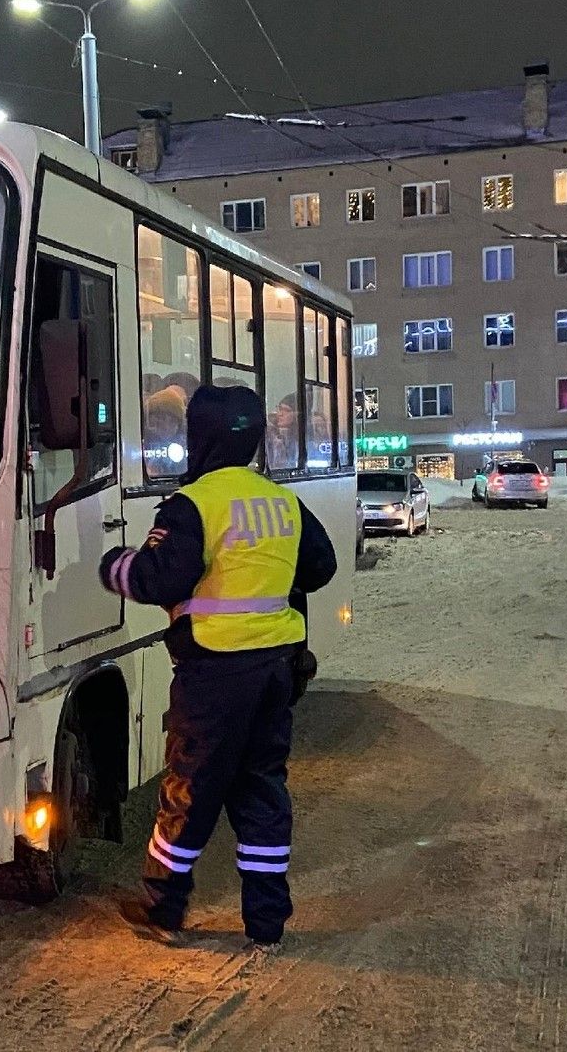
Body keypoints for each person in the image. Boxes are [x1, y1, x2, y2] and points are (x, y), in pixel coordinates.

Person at [99, 384, 336, 951]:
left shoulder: (195, 504)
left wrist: (112, 565)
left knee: (190, 790)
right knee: (261, 792)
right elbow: (321, 566)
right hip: (276, 671)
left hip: (214, 673)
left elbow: (159, 580)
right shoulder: (280, 501)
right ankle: (267, 922)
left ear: (198, 437)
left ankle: (163, 909)